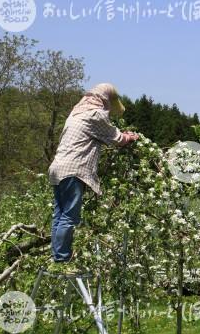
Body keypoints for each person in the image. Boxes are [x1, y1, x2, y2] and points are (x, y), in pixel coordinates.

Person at [47, 83, 139, 273]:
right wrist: (130, 138)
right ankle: (63, 261)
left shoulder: (76, 114)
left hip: (57, 168)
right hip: (73, 169)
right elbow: (116, 138)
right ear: (105, 100)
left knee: (59, 214)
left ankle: (56, 257)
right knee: (70, 217)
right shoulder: (95, 115)